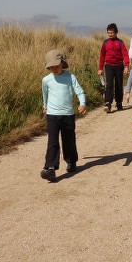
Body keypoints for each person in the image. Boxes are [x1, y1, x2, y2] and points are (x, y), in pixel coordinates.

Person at [41, 49, 86, 181]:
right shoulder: (46, 80)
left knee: (69, 141)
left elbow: (80, 91)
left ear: (62, 63)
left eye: (56, 65)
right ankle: (50, 168)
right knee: (52, 142)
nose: (54, 68)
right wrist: (45, 107)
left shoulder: (70, 77)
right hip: (52, 115)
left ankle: (71, 161)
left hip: (68, 115)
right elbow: (45, 95)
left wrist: (82, 103)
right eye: (51, 67)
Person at [98, 23, 129, 112]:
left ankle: (119, 102)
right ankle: (108, 103)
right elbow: (102, 56)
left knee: (119, 85)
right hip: (109, 66)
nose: (110, 34)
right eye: (109, 33)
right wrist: (100, 68)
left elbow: (125, 55)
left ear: (116, 33)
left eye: (112, 33)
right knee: (109, 85)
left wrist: (126, 66)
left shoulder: (120, 42)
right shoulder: (105, 43)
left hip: (119, 66)